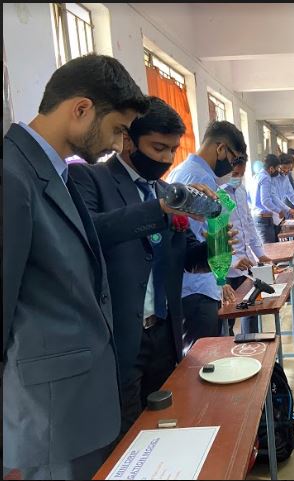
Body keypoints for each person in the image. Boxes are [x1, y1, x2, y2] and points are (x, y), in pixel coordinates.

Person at [4, 54, 149, 480]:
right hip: (48, 416)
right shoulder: (11, 175)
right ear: (82, 109)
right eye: (117, 129)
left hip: (79, 406)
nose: (120, 145)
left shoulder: (56, 174)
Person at [69, 97, 226, 436]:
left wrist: (216, 242)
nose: (167, 159)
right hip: (119, 339)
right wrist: (160, 209)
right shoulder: (89, 179)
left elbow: (187, 259)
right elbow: (93, 232)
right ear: (128, 139)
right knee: (124, 435)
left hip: (164, 334)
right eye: (158, 148)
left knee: (166, 424)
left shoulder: (167, 192)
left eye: (173, 150)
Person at [165, 120, 245, 341]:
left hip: (190, 285)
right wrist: (220, 277)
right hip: (197, 288)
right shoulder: (201, 179)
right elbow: (194, 240)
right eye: (233, 160)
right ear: (221, 149)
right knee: (204, 354)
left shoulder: (182, 170)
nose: (232, 167)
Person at [220, 156, 273, 335]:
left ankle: (251, 342)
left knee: (251, 309)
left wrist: (259, 253)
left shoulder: (241, 190)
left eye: (241, 174)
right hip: (227, 267)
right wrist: (233, 260)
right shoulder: (218, 194)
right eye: (235, 174)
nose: (238, 178)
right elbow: (214, 234)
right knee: (227, 317)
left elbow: (248, 224)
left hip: (246, 264)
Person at [249, 153, 293, 243]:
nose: (278, 171)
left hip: (256, 217)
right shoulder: (266, 178)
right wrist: (279, 211)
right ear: (271, 168)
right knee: (270, 247)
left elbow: (248, 198)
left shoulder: (256, 176)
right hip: (264, 219)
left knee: (267, 247)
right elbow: (265, 201)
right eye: (277, 168)